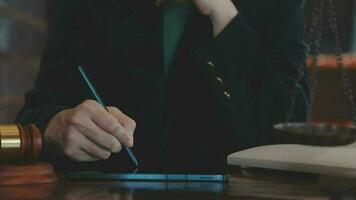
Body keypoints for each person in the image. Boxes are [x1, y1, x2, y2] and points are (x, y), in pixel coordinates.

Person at [16, 0, 309, 173]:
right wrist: (57, 127)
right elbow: (34, 116)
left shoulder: (278, 5)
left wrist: (224, 16)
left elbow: (288, 132)